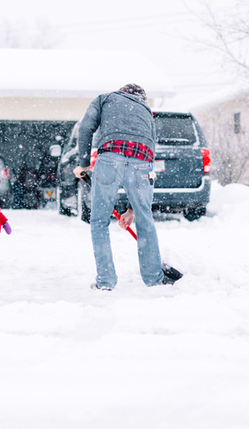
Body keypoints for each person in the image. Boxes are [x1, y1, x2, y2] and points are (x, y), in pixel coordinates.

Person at [72, 83, 174, 290]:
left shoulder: (105, 98)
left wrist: (83, 163)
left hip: (110, 158)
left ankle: (106, 281)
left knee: (99, 221)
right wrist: (131, 209)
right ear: (141, 98)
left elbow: (85, 127)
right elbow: (150, 149)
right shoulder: (146, 111)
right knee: (145, 221)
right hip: (143, 163)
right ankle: (154, 279)